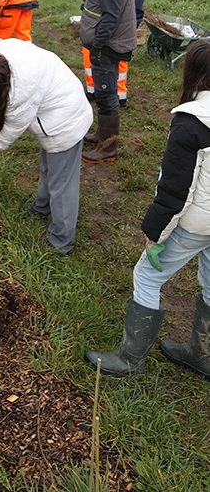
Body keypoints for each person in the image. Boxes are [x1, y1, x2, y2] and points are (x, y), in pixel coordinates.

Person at [85, 39, 210, 377]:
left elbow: (174, 193)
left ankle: (130, 359)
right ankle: (202, 353)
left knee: (147, 275)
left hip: (199, 222)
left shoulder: (191, 123)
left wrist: (154, 236)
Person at [0, 40, 92, 255]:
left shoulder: (21, 95)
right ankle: (41, 208)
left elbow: (2, 139)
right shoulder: (1, 55)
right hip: (57, 104)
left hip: (66, 121)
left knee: (62, 184)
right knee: (49, 169)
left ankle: (62, 240)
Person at [80, 0, 137, 163]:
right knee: (107, 91)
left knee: (106, 94)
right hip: (115, 42)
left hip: (109, 45)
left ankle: (108, 148)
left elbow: (110, 16)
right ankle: (102, 135)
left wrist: (98, 45)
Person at [82, 0, 144, 110]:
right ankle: (106, 123)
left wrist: (98, 44)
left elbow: (113, 14)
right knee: (106, 88)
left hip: (111, 40)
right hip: (115, 36)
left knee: (107, 94)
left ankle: (108, 131)